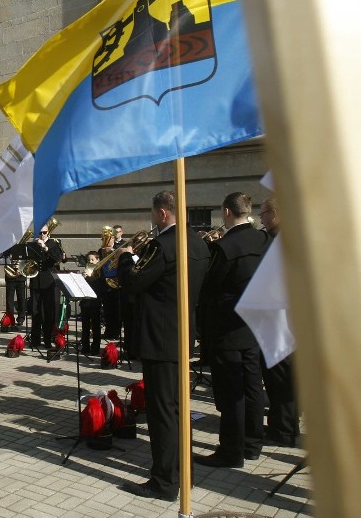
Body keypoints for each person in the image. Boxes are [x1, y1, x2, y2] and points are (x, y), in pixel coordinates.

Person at [116, 190, 210, 501]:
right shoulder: (197, 242)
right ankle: (185, 473)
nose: (153, 218)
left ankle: (165, 482)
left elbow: (134, 282)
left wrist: (126, 257)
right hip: (183, 335)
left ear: (163, 214)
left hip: (160, 338)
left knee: (162, 412)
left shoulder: (163, 244)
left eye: (153, 213)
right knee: (180, 409)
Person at [196, 192, 271, 468]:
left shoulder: (225, 247)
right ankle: (253, 444)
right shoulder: (265, 240)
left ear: (227, 212)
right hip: (254, 324)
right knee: (252, 386)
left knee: (230, 392)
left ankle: (231, 450)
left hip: (228, 327)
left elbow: (209, 288)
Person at [257, 196, 299, 446]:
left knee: (278, 378)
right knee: (288, 378)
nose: (261, 219)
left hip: (279, 317)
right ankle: (288, 426)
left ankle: (282, 430)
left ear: (274, 213)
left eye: (263, 214)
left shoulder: (273, 240)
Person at [29, 222, 63, 349]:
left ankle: (48, 339)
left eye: (44, 232)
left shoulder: (54, 244)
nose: (42, 235)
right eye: (40, 232)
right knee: (35, 310)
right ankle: (35, 338)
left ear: (48, 233)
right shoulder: (33, 244)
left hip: (49, 282)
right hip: (35, 281)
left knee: (48, 312)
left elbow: (57, 258)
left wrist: (45, 248)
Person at [79, 251, 105, 355]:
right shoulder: (86, 270)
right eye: (88, 260)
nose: (90, 261)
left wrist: (90, 277)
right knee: (85, 326)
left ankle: (95, 347)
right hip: (85, 301)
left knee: (95, 326)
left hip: (95, 302)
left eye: (92, 260)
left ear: (98, 260)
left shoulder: (100, 271)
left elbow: (100, 287)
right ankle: (85, 347)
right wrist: (82, 278)